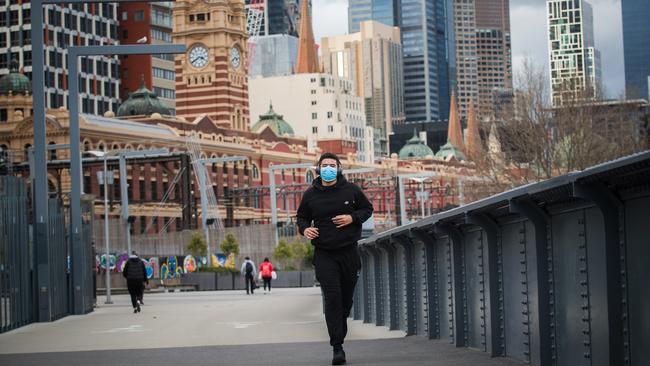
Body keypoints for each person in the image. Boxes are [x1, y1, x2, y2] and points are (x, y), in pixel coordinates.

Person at [297, 152, 373, 365]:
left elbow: (367, 209)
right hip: (324, 254)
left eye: (332, 165)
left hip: (348, 251)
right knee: (332, 297)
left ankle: (340, 326)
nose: (328, 168)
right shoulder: (310, 194)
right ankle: (337, 347)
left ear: (338, 168)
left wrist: (352, 217)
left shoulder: (351, 190)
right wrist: (305, 230)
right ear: (318, 169)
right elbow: (301, 217)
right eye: (325, 165)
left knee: (345, 300)